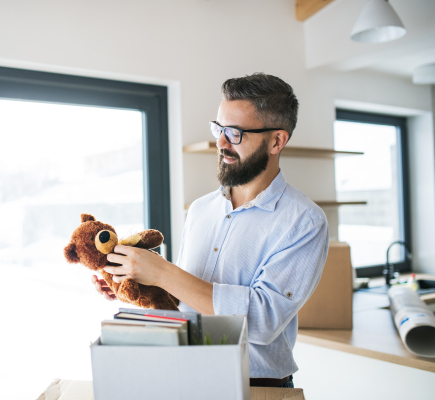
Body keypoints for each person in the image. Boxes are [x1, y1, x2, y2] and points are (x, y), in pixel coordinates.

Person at [92, 73, 329, 388]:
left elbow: (262, 321)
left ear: (276, 141)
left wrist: (162, 272)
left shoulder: (304, 222)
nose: (220, 143)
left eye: (234, 132)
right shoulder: (201, 209)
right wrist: (139, 284)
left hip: (257, 387)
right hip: (186, 376)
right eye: (218, 129)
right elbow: (188, 299)